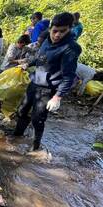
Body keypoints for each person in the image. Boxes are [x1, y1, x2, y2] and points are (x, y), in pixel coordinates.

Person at [14, 12, 82, 151]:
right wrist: (28, 63)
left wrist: (57, 97)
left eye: (62, 31)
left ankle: (35, 146)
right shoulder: (46, 40)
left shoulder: (70, 48)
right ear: (50, 28)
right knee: (22, 110)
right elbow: (40, 58)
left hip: (48, 88)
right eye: (55, 31)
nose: (57, 35)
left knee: (37, 118)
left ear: (69, 29)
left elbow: (69, 76)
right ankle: (17, 136)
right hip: (35, 82)